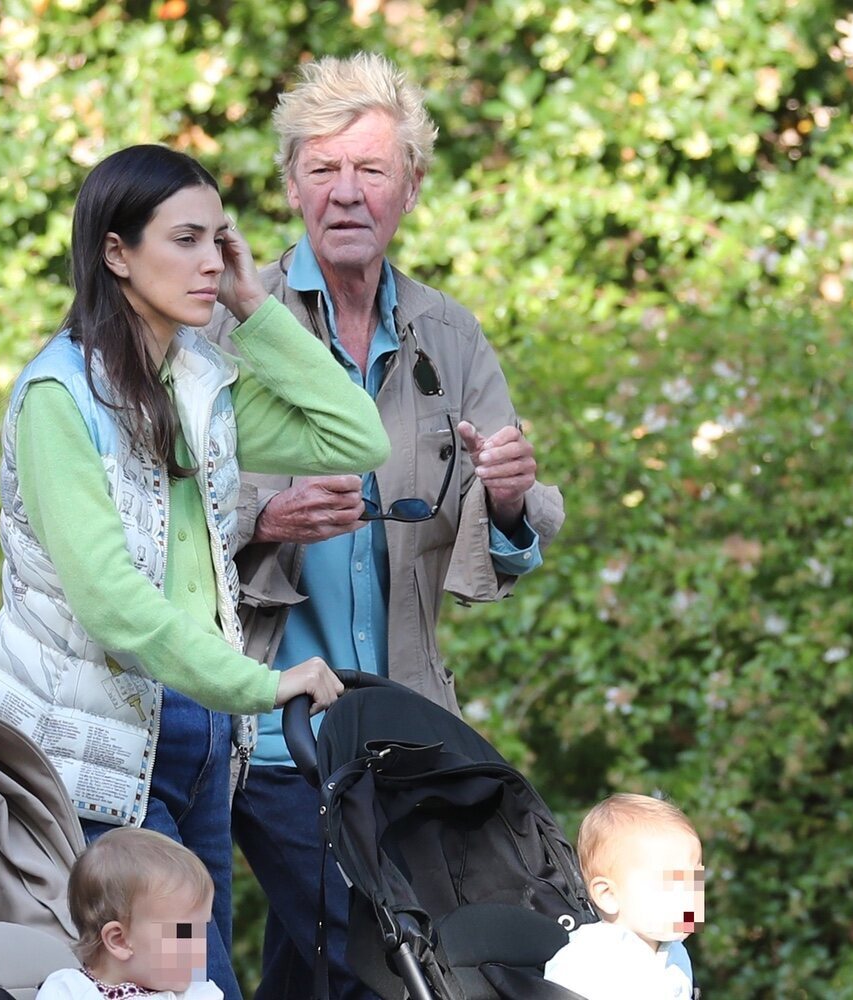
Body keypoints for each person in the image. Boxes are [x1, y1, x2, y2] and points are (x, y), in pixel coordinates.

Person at [0, 143, 389, 999]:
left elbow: (358, 436)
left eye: (219, 242)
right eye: (187, 241)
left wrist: (252, 303)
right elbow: (114, 606)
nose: (210, 263)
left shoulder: (200, 385)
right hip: (87, 751)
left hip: (196, 737)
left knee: (194, 989)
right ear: (117, 253)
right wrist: (258, 685)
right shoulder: (62, 399)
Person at [201, 53, 566, 999]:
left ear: (411, 186)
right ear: (290, 186)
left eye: (371, 170)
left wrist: (514, 496)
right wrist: (266, 516)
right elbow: (152, 504)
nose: (347, 194)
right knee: (386, 963)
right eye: (322, 170)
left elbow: (522, 517)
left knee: (326, 966)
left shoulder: (450, 335)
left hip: (405, 732)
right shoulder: (225, 325)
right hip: (271, 733)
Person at [545, 794, 704, 999]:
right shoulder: (586, 962)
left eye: (694, 881)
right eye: (672, 884)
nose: (690, 898)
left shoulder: (675, 951)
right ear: (608, 895)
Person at [37, 828, 226, 1000]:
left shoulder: (196, 994)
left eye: (202, 929)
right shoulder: (68, 992)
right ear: (119, 940)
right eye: (183, 933)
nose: (202, 945)